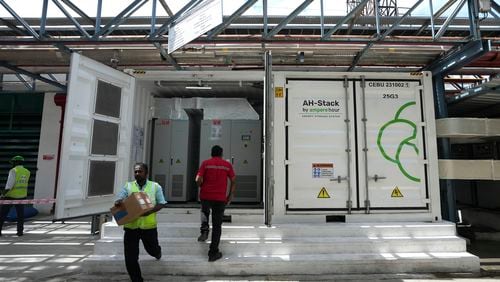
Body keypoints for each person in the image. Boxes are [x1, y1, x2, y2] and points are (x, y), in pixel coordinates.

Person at [114, 163, 166, 282]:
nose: (137, 173)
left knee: (152, 250)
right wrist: (118, 202)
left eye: (140, 171)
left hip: (149, 227)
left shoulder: (155, 186)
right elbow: (120, 197)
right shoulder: (128, 186)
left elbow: (162, 203)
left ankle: (157, 252)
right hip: (131, 227)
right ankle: (136, 279)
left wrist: (151, 211)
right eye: (136, 171)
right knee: (130, 257)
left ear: (146, 173)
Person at [195, 145, 236, 262]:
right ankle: (213, 253)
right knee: (217, 226)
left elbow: (198, 179)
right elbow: (233, 180)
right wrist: (230, 196)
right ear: (221, 154)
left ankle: (204, 230)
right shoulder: (227, 165)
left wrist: (201, 186)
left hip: (206, 195)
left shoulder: (205, 163)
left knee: (204, 212)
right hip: (220, 198)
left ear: (211, 153)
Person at [0, 155, 30, 237]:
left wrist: (2, 194)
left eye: (13, 162)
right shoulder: (27, 171)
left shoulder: (13, 171)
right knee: (20, 215)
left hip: (11, 196)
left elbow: (9, 185)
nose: (12, 164)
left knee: (3, 214)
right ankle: (20, 232)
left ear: (16, 162)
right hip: (22, 196)